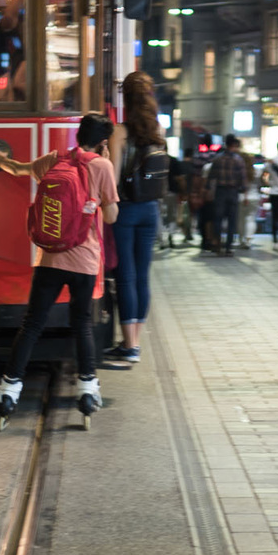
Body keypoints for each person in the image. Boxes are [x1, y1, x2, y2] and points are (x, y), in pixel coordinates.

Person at [0, 114, 121, 425]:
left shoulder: (53, 160)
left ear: (78, 136)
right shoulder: (102, 166)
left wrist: (1, 159)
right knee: (82, 324)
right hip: (84, 262)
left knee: (32, 324)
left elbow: (18, 169)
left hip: (49, 260)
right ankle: (87, 390)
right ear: (102, 142)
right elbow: (111, 217)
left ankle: (8, 390)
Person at [109, 81, 168, 366]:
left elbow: (114, 177)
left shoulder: (120, 131)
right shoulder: (158, 131)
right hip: (151, 209)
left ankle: (128, 345)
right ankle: (136, 341)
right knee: (143, 275)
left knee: (126, 275)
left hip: (127, 208)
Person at [208, 137, 253, 252]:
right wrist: (245, 194)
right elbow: (243, 179)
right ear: (234, 145)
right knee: (232, 219)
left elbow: (211, 177)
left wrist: (208, 190)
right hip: (233, 192)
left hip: (220, 191)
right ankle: (228, 246)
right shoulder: (238, 160)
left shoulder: (217, 159)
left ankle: (217, 243)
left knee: (218, 218)